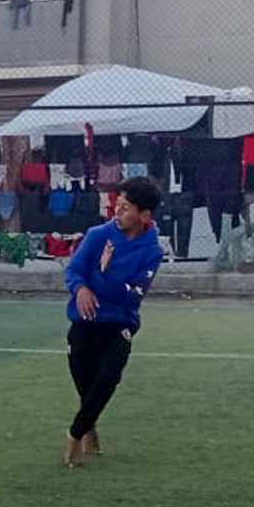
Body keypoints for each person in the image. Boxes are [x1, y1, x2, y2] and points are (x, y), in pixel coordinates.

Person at [63, 179, 164, 468]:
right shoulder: (97, 235)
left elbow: (134, 294)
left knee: (107, 378)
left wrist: (106, 273)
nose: (117, 212)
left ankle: (75, 433)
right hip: (84, 321)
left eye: (125, 208)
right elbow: (75, 270)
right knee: (85, 382)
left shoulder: (152, 252)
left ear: (144, 216)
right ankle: (90, 425)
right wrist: (80, 289)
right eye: (117, 205)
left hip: (119, 323)